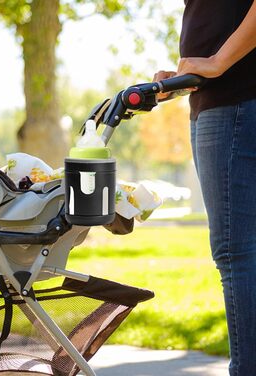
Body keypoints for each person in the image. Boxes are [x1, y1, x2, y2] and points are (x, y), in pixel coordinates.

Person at [155, 1, 256, 375]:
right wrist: (185, 72)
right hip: (217, 97)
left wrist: (215, 63)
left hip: (235, 99)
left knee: (236, 252)